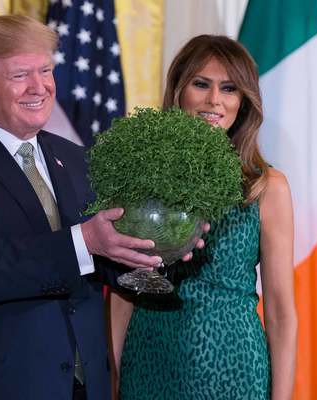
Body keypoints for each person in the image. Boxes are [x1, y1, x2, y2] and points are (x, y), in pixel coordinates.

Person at [0, 15, 172, 400]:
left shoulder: (77, 159)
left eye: (45, 70)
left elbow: (101, 262)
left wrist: (156, 251)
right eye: (19, 75)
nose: (40, 86)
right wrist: (85, 240)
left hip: (83, 387)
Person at [112, 35, 297, 400]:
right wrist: (114, 375)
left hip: (235, 368)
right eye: (202, 84)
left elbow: (281, 311)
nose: (215, 100)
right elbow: (123, 291)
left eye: (229, 88)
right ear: (179, 90)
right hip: (148, 361)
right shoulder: (141, 175)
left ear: (243, 101)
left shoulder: (267, 187)